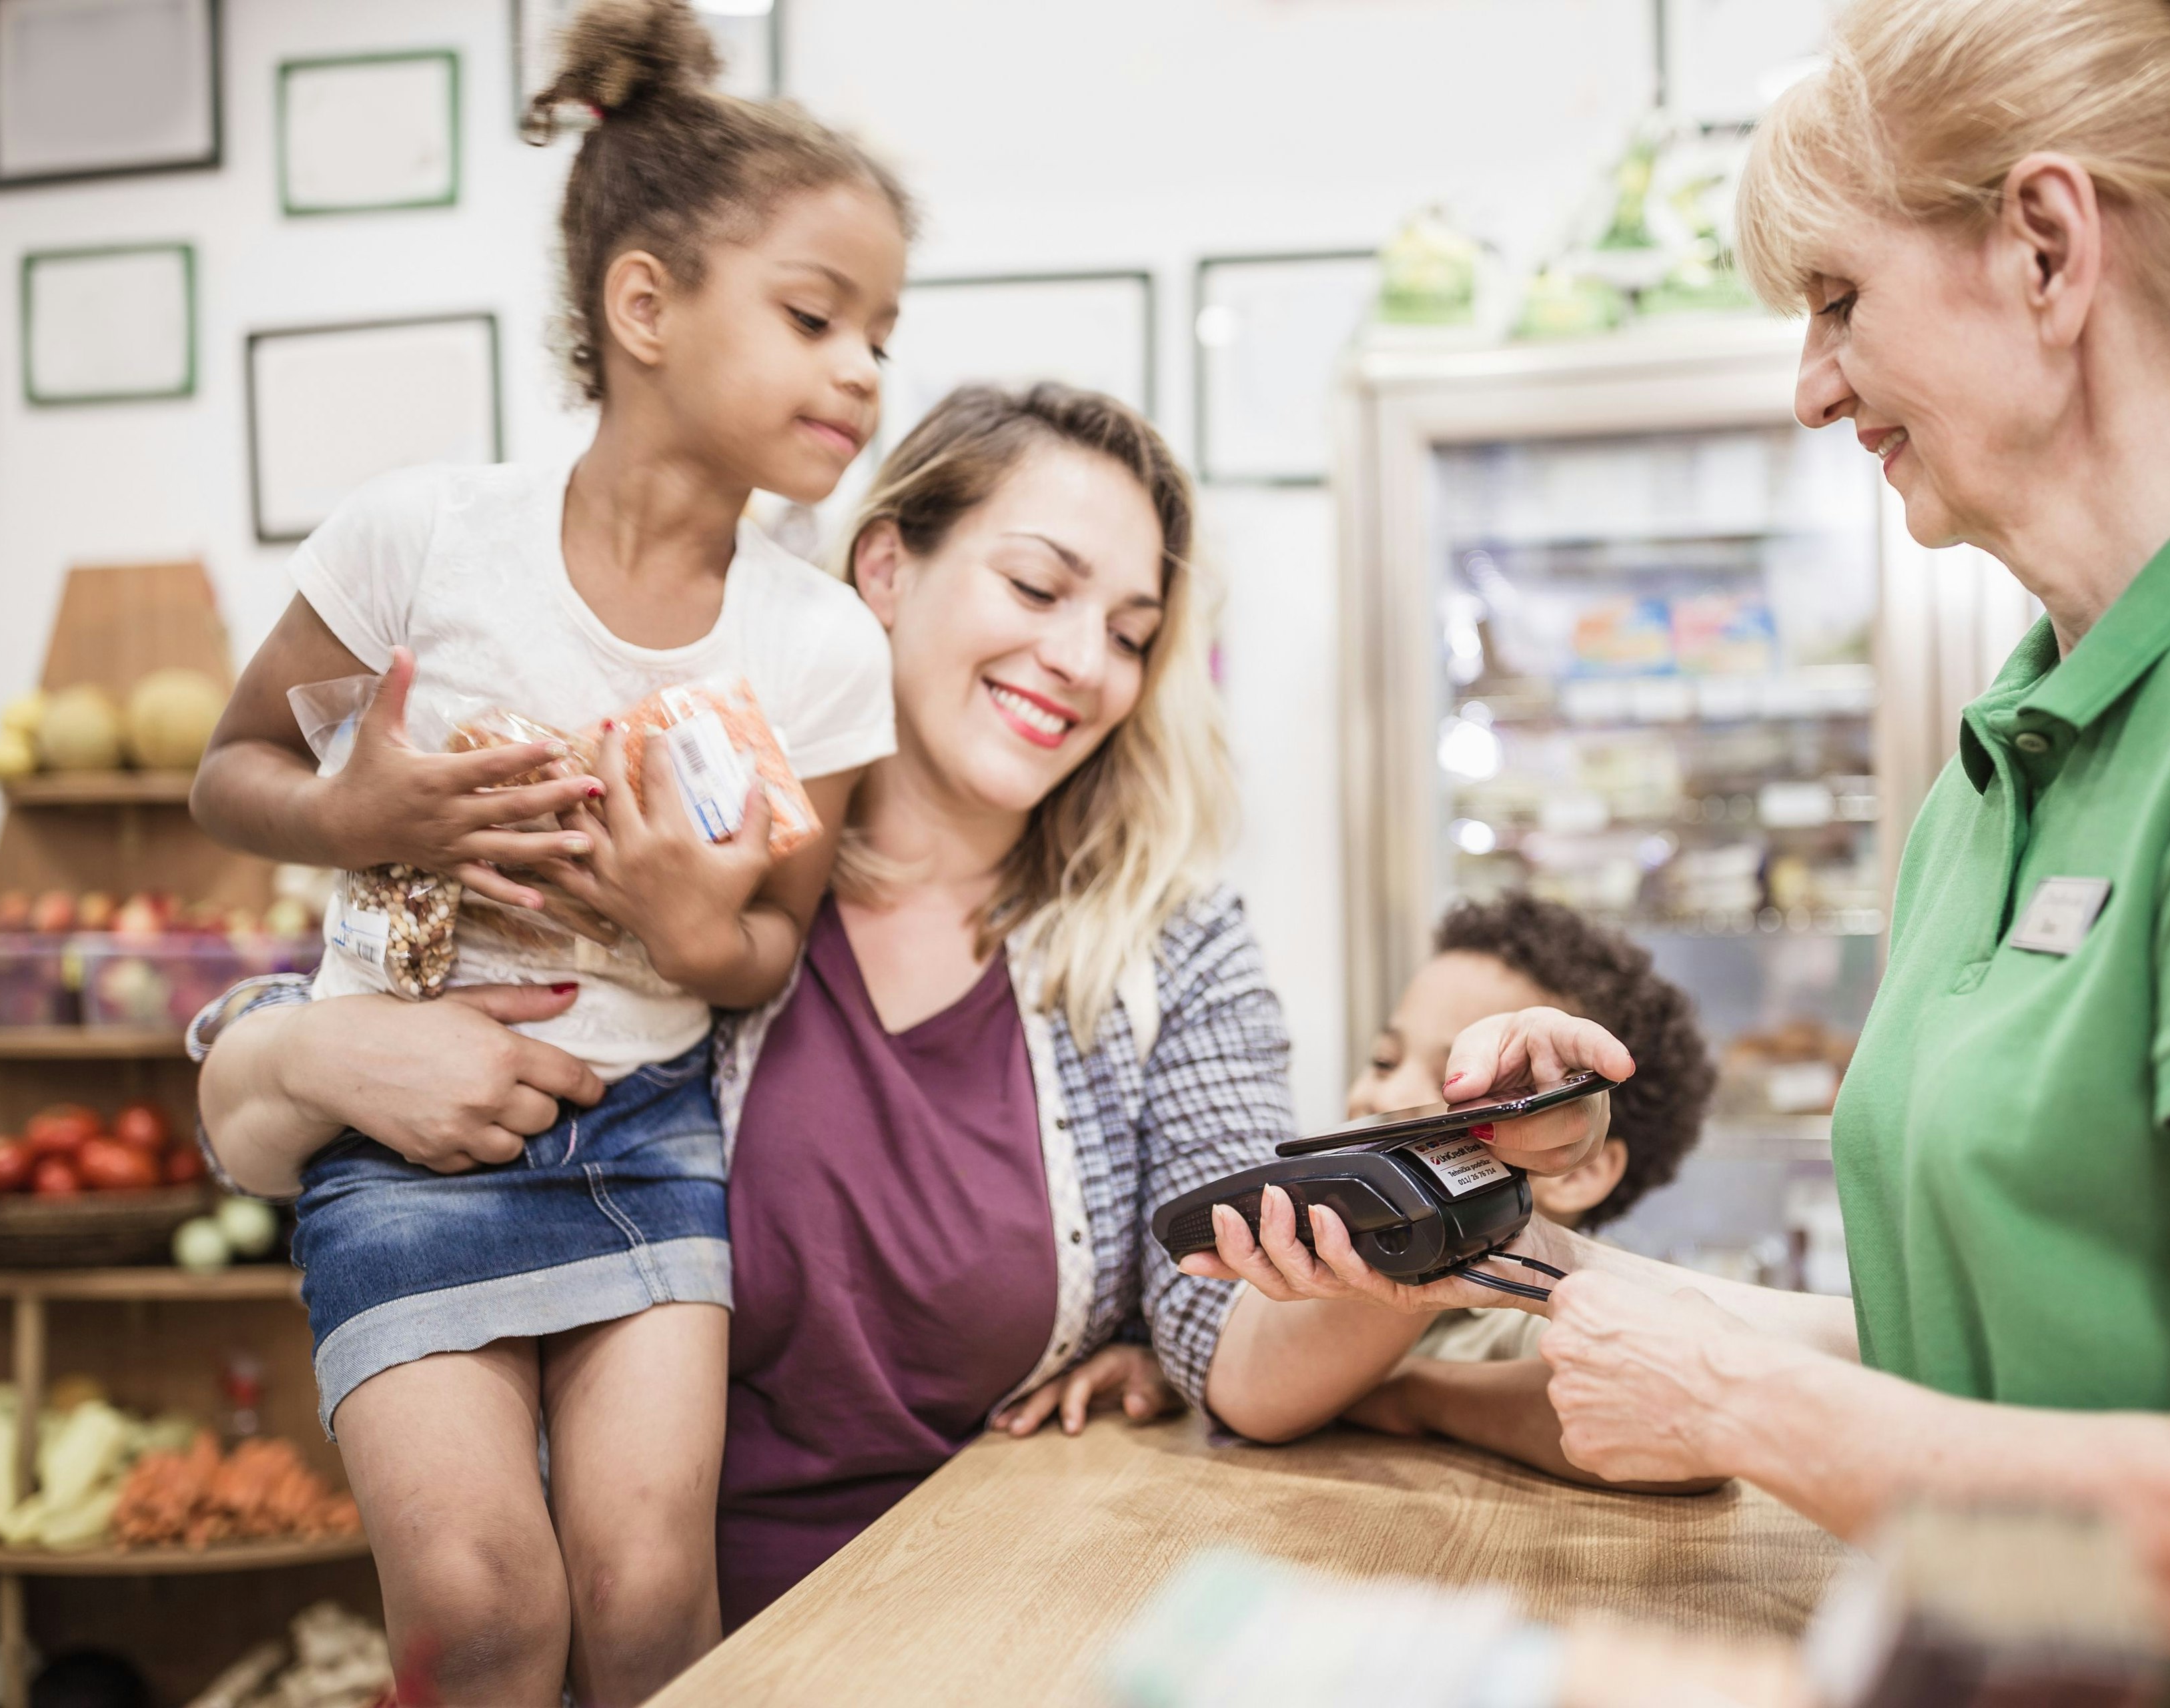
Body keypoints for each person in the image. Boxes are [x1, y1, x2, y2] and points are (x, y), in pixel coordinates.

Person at [1189, 0, 2170, 1701]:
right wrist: (1514, 1245)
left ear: (2046, 249)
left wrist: (1733, 1399)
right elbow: (1970, 1389)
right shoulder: (1996, 767)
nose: (1810, 385)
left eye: (1835, 300)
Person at [189, 381, 1612, 1665]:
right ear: (884, 568)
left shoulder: (1169, 943)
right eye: (1038, 585)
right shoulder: (681, 843)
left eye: (1130, 633)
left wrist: (1456, 1199)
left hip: (994, 1634)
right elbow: (263, 1113)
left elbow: (1229, 1336)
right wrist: (313, 1052)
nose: (1082, 662)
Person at [184, 2, 906, 1697]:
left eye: (882, 329)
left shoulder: (816, 650)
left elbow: (767, 953)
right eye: (815, 316)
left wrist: (681, 911)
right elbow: (229, 774)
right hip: (395, 1140)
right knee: (478, 1613)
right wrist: (350, 813)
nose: (865, 367)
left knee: (653, 1601)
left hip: (643, 1139)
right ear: (640, 304)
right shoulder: (422, 544)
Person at [1335, 894, 1714, 1490]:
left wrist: (1413, 1395)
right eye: (1385, 1061)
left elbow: (1691, 1443)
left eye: (1451, 1087)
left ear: (1578, 1168)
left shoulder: (1524, 1323)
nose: (1383, 1098)